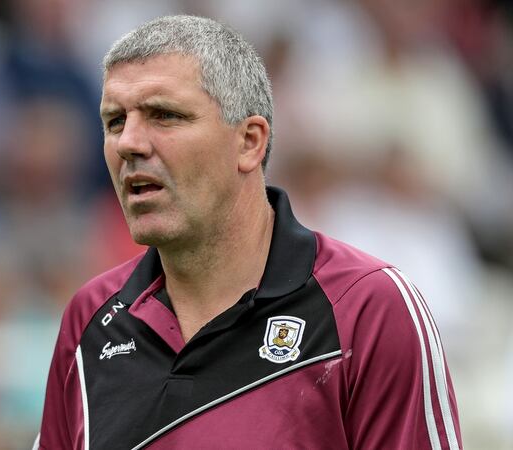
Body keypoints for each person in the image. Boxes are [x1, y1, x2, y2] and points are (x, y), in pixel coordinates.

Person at [35, 15, 461, 450]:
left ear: (250, 142)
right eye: (114, 122)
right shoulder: (89, 320)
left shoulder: (369, 307)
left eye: (165, 115)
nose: (129, 143)